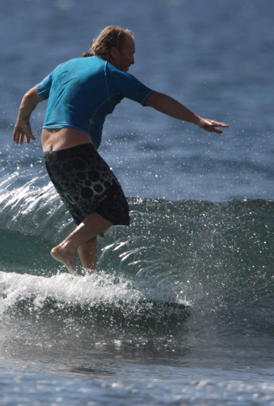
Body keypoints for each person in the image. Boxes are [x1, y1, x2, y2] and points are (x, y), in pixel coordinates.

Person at [12, 26, 228, 274]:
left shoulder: (66, 66)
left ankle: (88, 282)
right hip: (75, 151)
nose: (133, 61)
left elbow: (29, 96)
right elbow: (156, 99)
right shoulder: (110, 73)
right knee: (114, 207)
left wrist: (23, 120)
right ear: (114, 52)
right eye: (129, 54)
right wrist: (197, 120)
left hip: (52, 155)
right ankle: (65, 248)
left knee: (89, 219)